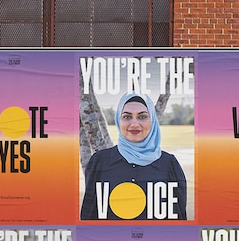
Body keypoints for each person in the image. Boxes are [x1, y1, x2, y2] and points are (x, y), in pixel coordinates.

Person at [80, 92, 187, 220]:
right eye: (127, 117)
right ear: (118, 121)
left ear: (152, 120)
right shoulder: (100, 161)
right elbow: (89, 215)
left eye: (142, 117)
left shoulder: (169, 164)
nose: (134, 124)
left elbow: (178, 220)